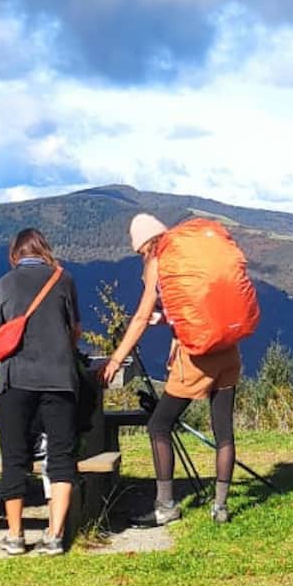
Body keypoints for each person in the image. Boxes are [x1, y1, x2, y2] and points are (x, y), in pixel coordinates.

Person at [102, 212, 240, 526]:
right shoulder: (192, 256)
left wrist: (114, 359)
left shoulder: (159, 262)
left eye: (140, 251)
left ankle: (165, 505)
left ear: (147, 244)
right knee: (224, 431)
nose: (141, 257)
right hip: (228, 348)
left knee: (159, 426)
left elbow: (139, 318)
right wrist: (167, 319)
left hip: (194, 357)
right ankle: (220, 508)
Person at [0, 228, 89, 555]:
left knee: (14, 457)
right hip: (59, 379)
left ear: (15, 254)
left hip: (16, 380)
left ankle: (16, 535)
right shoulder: (64, 279)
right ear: (44, 250)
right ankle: (55, 534)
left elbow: (0, 333)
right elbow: (75, 330)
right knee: (61, 456)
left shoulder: (2, 284)